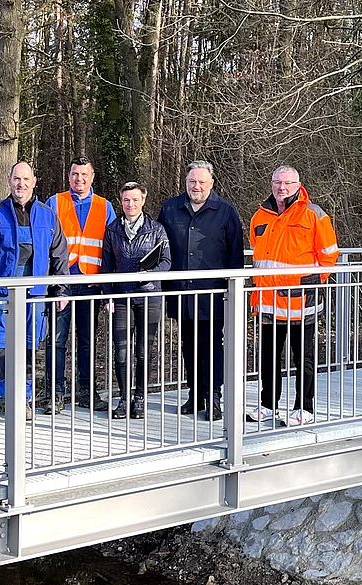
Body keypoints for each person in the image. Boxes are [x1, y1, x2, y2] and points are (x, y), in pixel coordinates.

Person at [0, 162, 70, 426]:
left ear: (34, 181)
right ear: (9, 180)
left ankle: (22, 400)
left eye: (26, 179)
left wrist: (61, 289)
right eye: (17, 179)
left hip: (35, 295)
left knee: (29, 348)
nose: (21, 184)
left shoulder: (48, 215)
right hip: (0, 294)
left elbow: (59, 254)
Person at [249, 165, 339, 426]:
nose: (282, 188)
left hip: (301, 299)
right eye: (277, 182)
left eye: (287, 183)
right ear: (271, 184)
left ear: (298, 185)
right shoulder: (260, 216)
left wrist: (311, 283)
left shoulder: (314, 215)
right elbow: (259, 253)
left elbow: (329, 254)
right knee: (268, 357)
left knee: (304, 357)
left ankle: (305, 407)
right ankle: (268, 405)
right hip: (268, 300)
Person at [157, 160, 244, 421]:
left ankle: (213, 396)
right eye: (192, 181)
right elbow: (160, 247)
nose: (196, 186)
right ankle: (194, 395)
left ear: (211, 184)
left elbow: (235, 255)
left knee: (212, 345)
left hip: (214, 294)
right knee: (188, 345)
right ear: (186, 183)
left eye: (202, 182)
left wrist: (233, 291)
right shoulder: (171, 208)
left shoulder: (225, 211)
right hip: (181, 293)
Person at [42, 156, 117, 413]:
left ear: (92, 177)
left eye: (84, 175)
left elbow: (110, 250)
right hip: (61, 282)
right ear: (69, 175)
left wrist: (109, 290)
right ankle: (55, 394)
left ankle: (87, 391)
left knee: (87, 342)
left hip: (91, 284)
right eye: (75, 174)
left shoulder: (104, 206)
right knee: (56, 341)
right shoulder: (55, 202)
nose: (79, 179)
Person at [101, 182, 171, 419]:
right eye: (126, 200)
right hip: (121, 297)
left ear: (143, 200)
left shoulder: (157, 229)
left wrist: (149, 275)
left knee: (143, 350)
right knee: (121, 350)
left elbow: (166, 262)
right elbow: (107, 267)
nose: (130, 204)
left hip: (149, 295)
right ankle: (123, 397)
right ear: (121, 202)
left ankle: (140, 397)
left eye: (134, 200)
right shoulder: (112, 230)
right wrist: (107, 296)